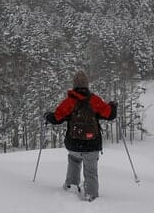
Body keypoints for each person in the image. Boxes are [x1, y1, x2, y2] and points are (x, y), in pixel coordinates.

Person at [44, 71, 117, 202]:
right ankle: (91, 194)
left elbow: (56, 118)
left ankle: (71, 186)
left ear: (74, 85)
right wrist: (113, 106)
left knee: (74, 161)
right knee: (91, 171)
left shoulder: (69, 102)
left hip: (74, 144)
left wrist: (47, 116)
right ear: (87, 85)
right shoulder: (94, 100)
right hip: (92, 145)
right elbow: (110, 115)